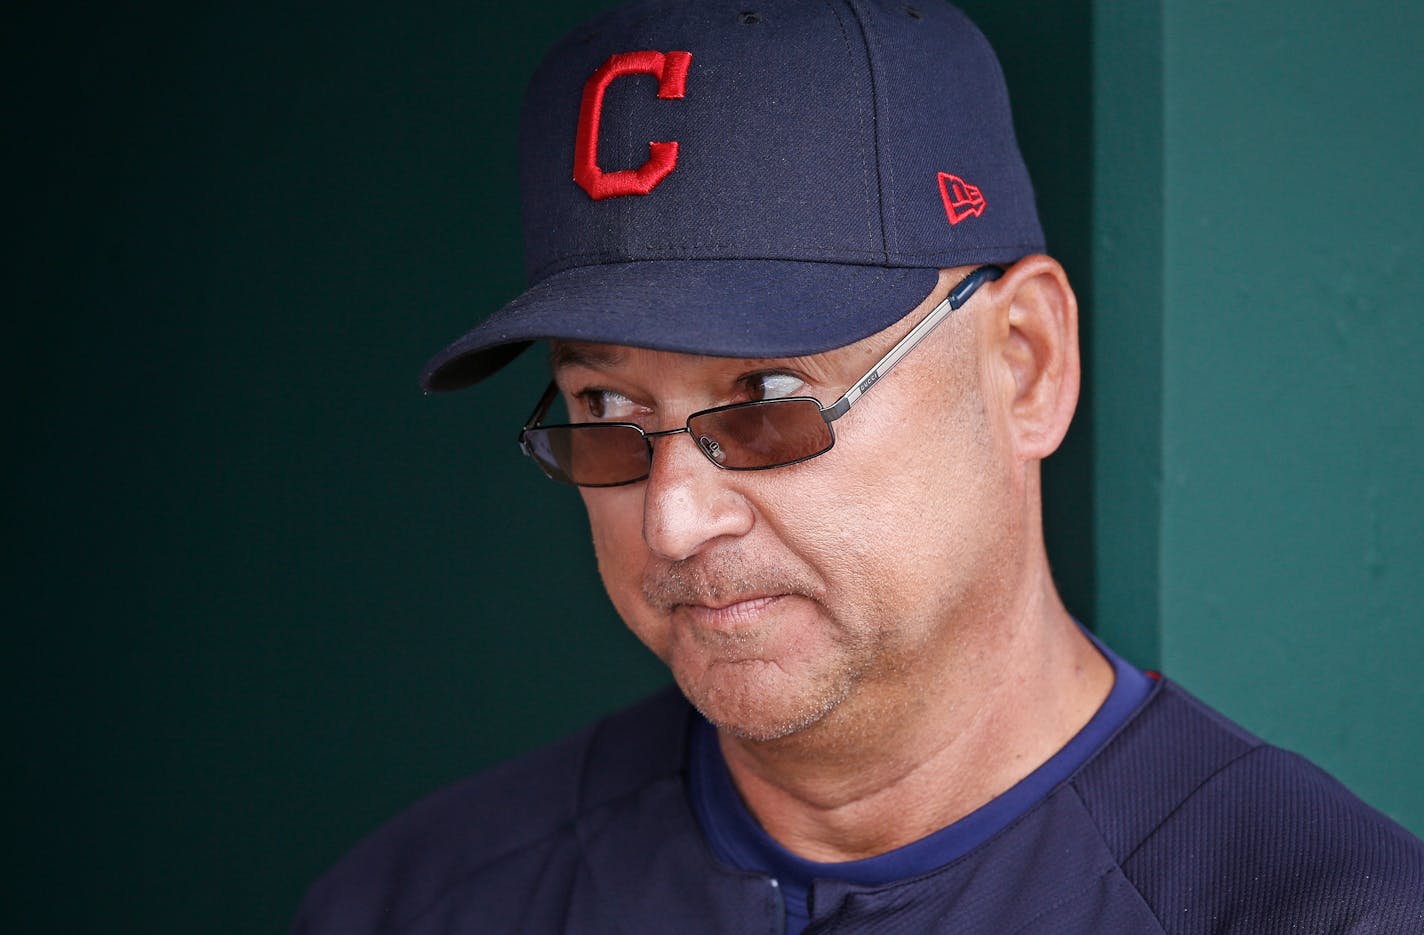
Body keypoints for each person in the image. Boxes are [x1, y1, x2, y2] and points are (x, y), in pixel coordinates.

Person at [292, 1, 1424, 931]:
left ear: (1022, 364)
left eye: (769, 401)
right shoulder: (422, 901)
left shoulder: (1319, 910)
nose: (674, 517)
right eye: (606, 406)